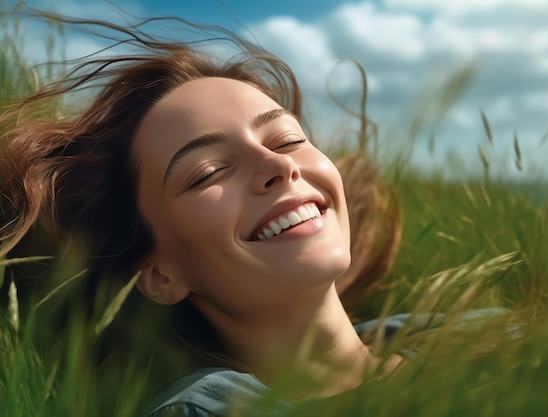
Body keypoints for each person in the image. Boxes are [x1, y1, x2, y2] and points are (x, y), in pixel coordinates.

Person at [0, 10, 409, 417]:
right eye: (209, 172)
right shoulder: (201, 410)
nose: (278, 165)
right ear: (160, 275)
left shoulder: (454, 331)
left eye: (287, 139)